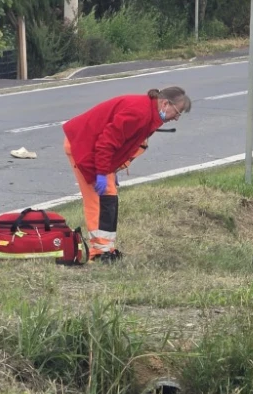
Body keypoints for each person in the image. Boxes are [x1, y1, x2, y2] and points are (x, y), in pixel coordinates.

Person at [62, 86, 191, 262]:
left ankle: (106, 248)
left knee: (109, 197)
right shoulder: (139, 113)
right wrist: (101, 173)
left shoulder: (150, 114)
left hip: (96, 151)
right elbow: (106, 143)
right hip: (83, 146)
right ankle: (99, 253)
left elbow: (124, 144)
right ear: (165, 103)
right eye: (176, 112)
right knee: (97, 199)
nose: (176, 118)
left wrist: (111, 168)